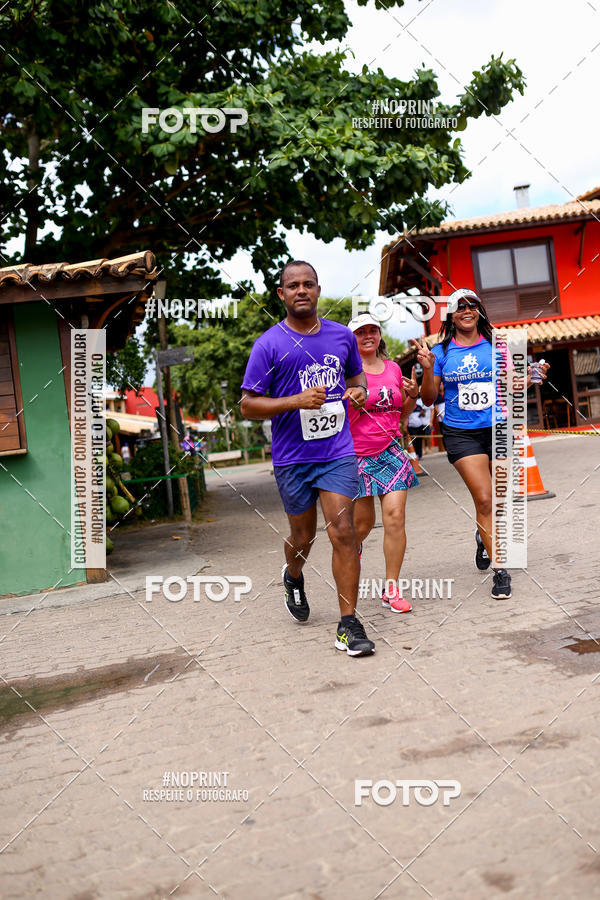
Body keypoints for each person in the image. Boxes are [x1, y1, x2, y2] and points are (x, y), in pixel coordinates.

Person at [240, 261, 375, 657]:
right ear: (281, 294)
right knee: (304, 537)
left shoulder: (340, 337)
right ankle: (293, 574)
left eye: (309, 284)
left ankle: (348, 625)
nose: (302, 290)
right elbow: (248, 404)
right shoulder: (268, 344)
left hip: (336, 451)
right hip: (292, 458)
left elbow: (356, 377)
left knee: (344, 532)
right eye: (293, 285)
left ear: (318, 290)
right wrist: (294, 401)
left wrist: (359, 391)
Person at [414, 288, 550, 600]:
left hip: (499, 429)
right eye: (459, 307)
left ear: (479, 310)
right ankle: (500, 570)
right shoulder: (442, 351)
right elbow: (428, 398)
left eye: (471, 305)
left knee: (499, 500)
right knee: (485, 499)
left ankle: (482, 535)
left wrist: (532, 376)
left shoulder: (498, 346)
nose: (466, 311)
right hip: (461, 434)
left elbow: (512, 383)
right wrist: (426, 368)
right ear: (451, 314)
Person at [347, 313, 419, 613]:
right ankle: (356, 547)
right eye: (360, 332)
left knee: (395, 517)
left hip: (391, 452)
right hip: (356, 455)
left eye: (372, 330)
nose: (367, 336)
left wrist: (413, 397)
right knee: (362, 525)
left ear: (379, 335)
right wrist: (350, 401)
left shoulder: (392, 368)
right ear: (352, 339)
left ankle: (391, 588)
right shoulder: (345, 373)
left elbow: (403, 412)